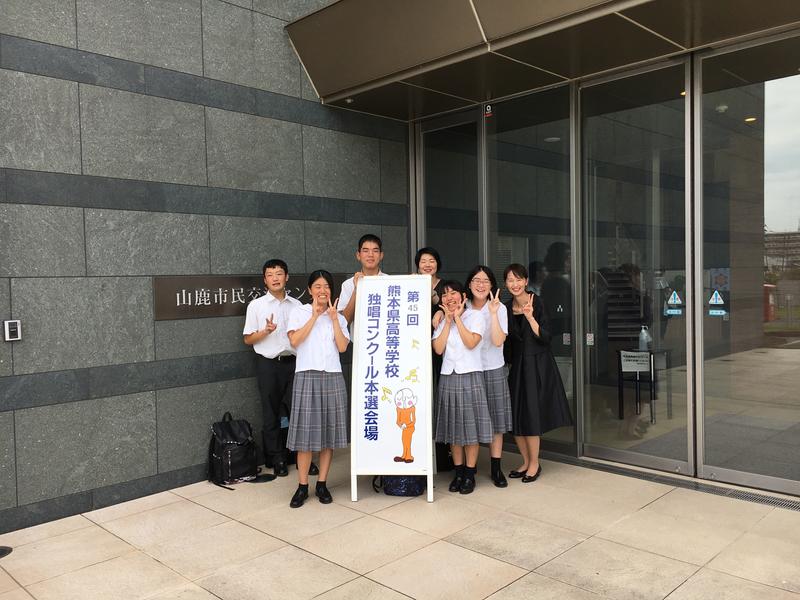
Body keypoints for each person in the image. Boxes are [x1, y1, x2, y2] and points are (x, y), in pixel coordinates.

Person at [286, 270, 350, 508]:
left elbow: (342, 347)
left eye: (327, 287)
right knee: (305, 436)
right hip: (306, 375)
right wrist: (314, 316)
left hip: (332, 376)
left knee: (328, 434)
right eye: (318, 286)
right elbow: (295, 341)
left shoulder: (338, 317)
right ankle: (302, 485)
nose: (323, 291)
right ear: (310, 290)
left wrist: (333, 319)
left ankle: (322, 483)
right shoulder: (299, 312)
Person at [503, 263, 573, 482]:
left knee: (532, 414)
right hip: (517, 366)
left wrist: (530, 317)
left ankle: (534, 464)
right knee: (516, 416)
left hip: (537, 364)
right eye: (510, 280)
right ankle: (525, 461)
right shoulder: (505, 307)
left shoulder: (538, 302)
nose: (514, 284)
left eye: (518, 279)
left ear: (526, 281)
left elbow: (546, 336)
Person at [243, 259, 308, 477]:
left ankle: (301, 457)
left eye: (279, 273)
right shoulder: (256, 306)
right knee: (271, 411)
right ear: (265, 280)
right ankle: (277, 457)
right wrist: (265, 331)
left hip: (294, 362)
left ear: (286, 277)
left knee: (297, 411)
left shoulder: (297, 306)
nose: (275, 278)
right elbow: (248, 339)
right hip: (268, 364)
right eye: (270, 275)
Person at [432, 280, 492, 495]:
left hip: (470, 375)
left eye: (453, 293)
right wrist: (448, 320)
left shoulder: (475, 316)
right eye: (444, 294)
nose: (449, 298)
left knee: (471, 428)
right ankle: (458, 472)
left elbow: (471, 342)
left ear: (463, 296)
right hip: (448, 376)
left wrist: (457, 318)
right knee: (454, 428)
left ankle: (469, 473)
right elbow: (438, 349)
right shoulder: (442, 321)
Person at [465, 266, 512, 488]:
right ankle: (469, 468)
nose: (481, 284)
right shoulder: (463, 306)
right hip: (469, 369)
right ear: (469, 284)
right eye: (476, 280)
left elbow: (498, 340)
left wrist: (493, 313)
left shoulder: (499, 307)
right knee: (470, 419)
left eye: (485, 281)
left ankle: (496, 468)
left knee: (496, 420)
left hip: (493, 368)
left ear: (492, 285)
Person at [414, 246, 453, 472]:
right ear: (417, 265)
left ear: (438, 263)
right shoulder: (411, 284)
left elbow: (445, 304)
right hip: (415, 350)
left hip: (441, 349)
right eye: (423, 261)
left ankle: (445, 455)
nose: (427, 265)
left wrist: (438, 306)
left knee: (440, 397)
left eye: (431, 261)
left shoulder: (445, 287)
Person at [339, 233, 386, 325]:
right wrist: (356, 290)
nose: (370, 255)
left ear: (381, 255)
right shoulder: (348, 284)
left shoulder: (391, 282)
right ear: (358, 255)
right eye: (365, 251)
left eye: (375, 251)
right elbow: (344, 321)